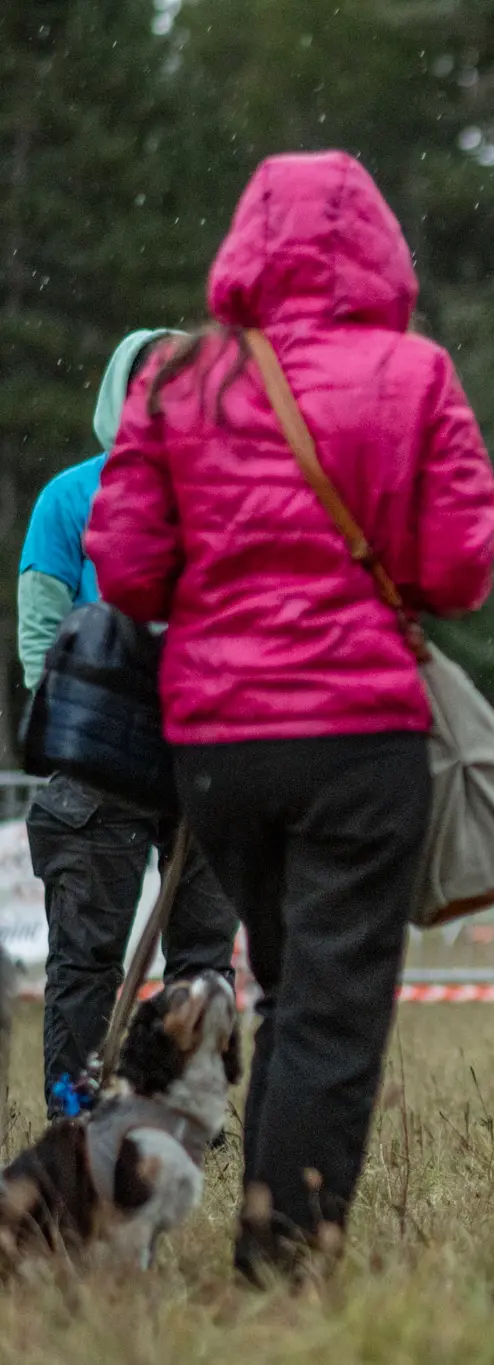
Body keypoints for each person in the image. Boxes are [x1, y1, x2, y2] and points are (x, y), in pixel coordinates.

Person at [86, 150, 494, 1277]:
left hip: (217, 745)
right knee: (329, 1004)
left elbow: (124, 569)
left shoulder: (175, 380)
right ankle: (282, 1260)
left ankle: (261, 1233)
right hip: (359, 734)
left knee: (285, 980)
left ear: (244, 245)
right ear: (377, 244)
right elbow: (460, 565)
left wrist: (227, 586)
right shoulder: (413, 371)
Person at [18, 328, 239, 1119]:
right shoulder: (70, 498)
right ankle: (77, 1111)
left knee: (204, 959)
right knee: (87, 956)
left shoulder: (228, 494)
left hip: (206, 752)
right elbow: (41, 632)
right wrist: (72, 732)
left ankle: (185, 1114)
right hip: (101, 758)